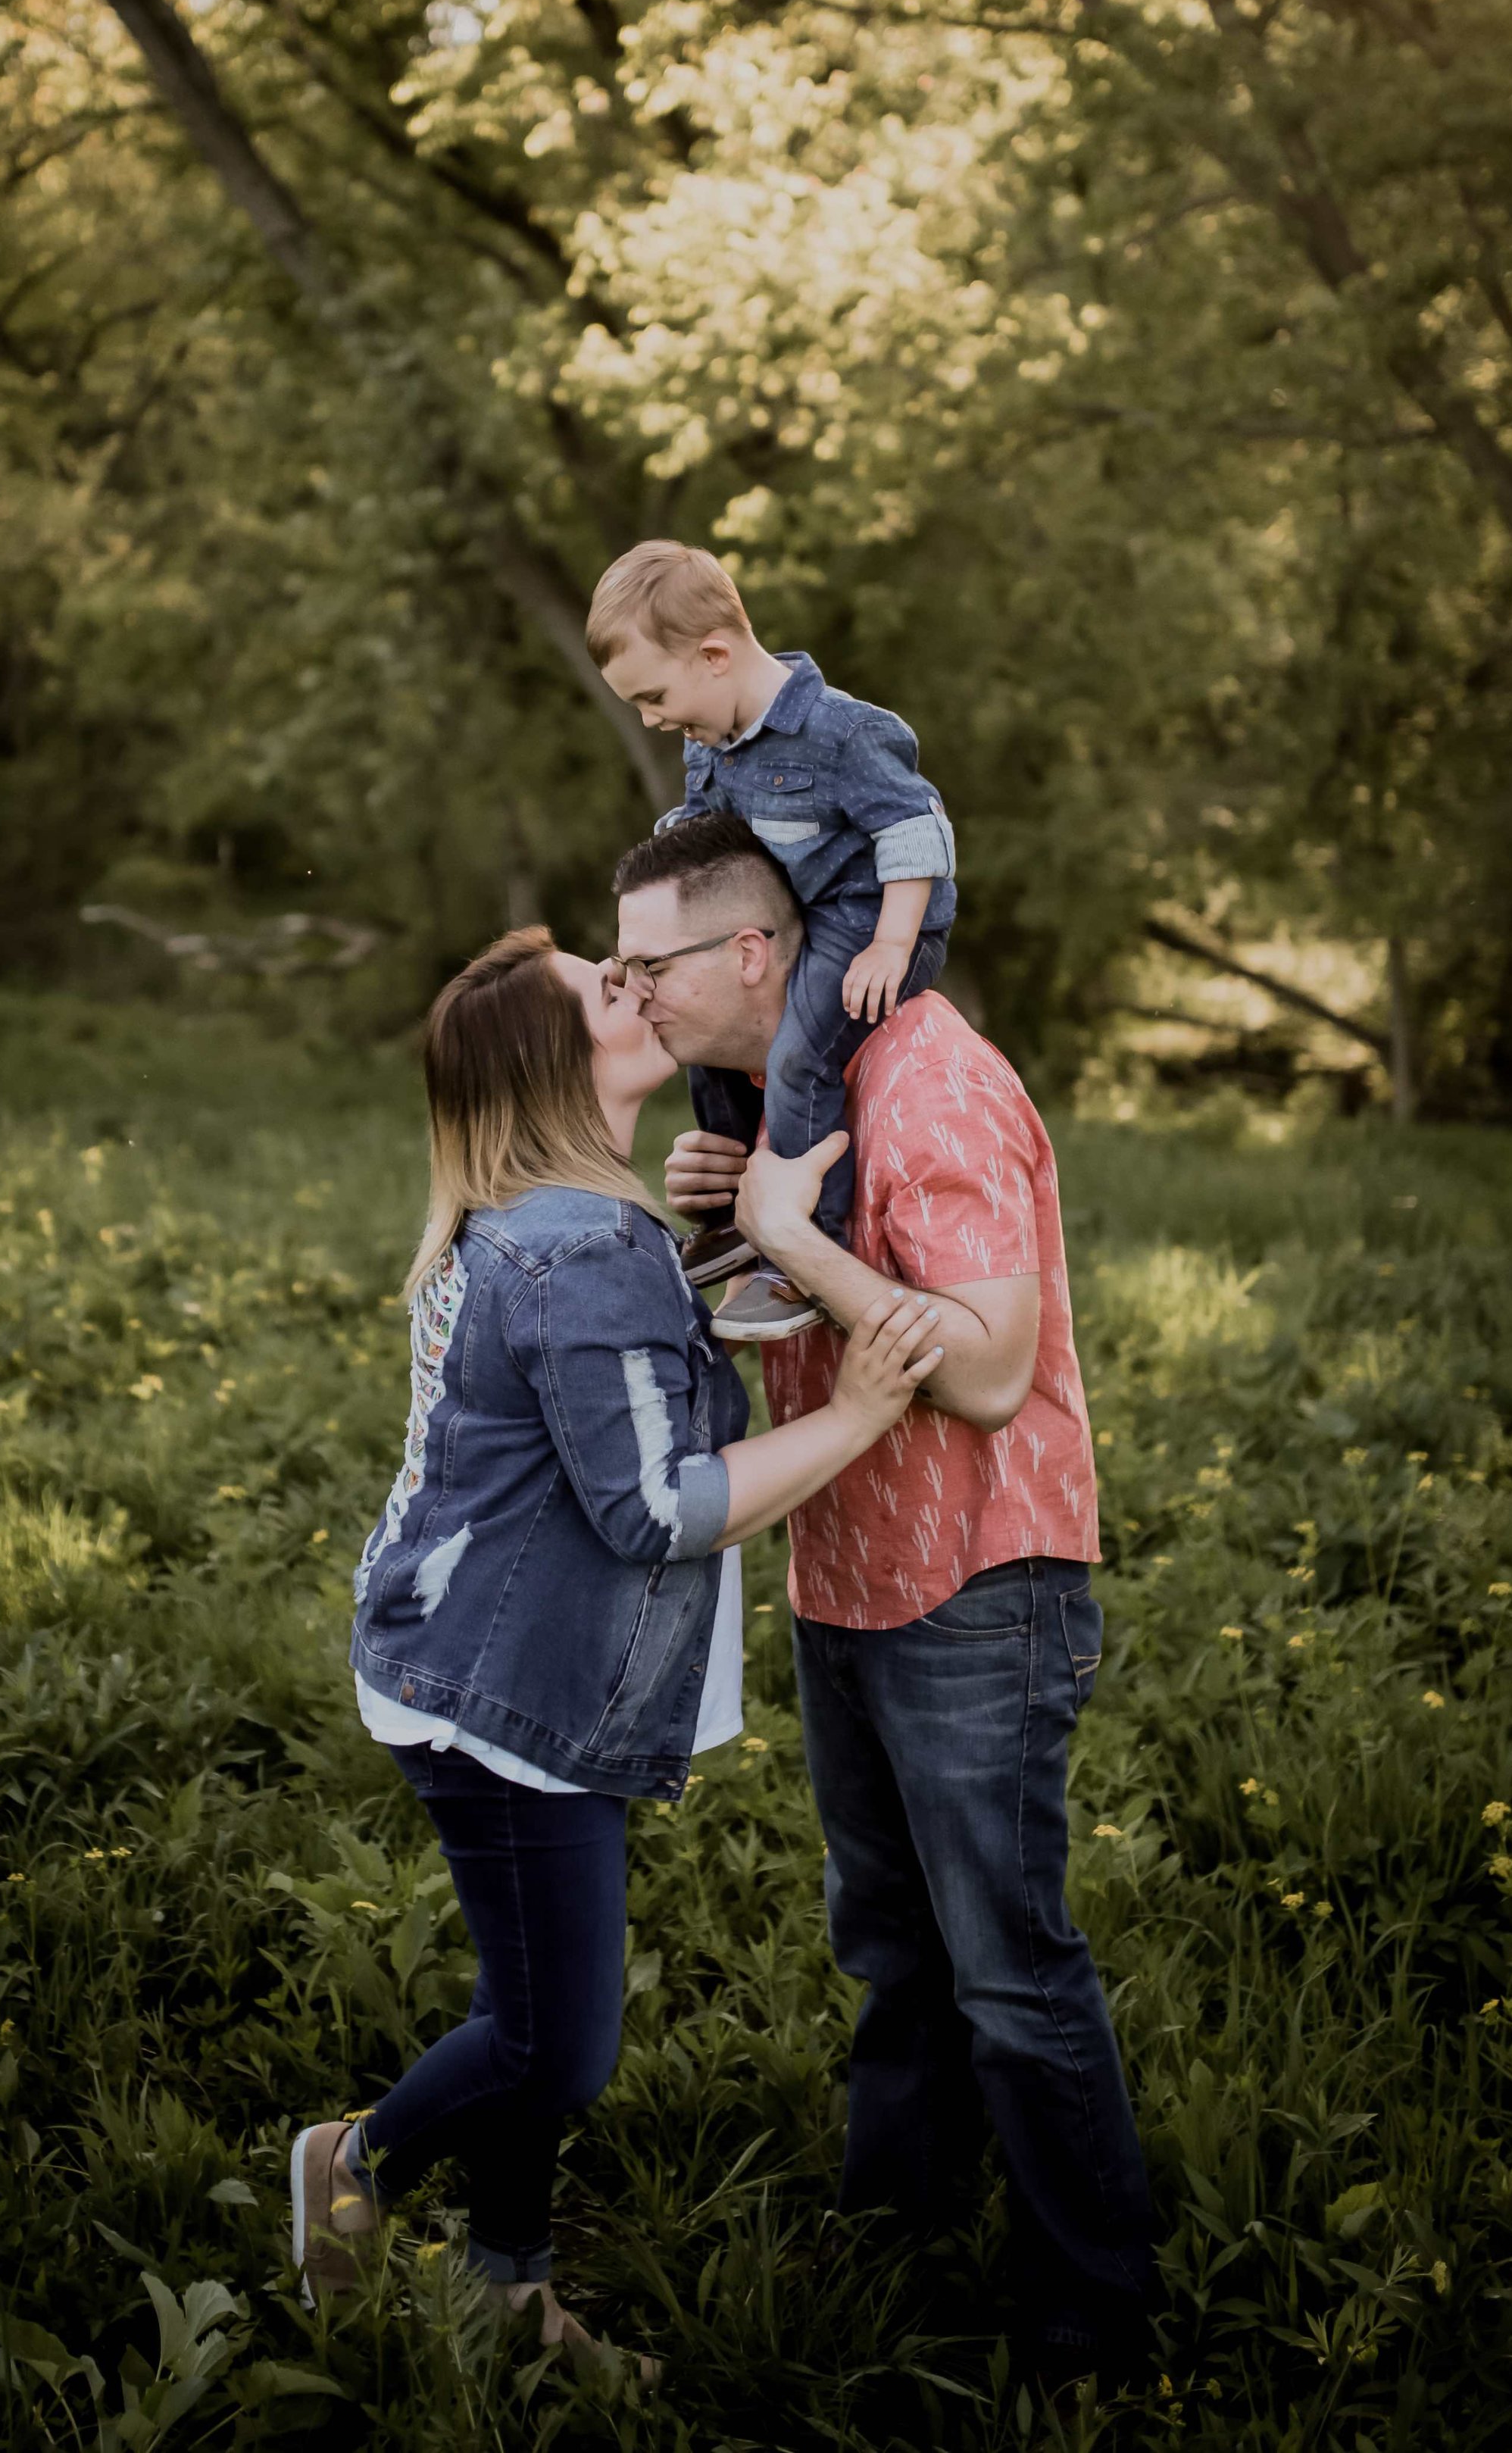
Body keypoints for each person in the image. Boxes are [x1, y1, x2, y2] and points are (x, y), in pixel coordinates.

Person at [291, 924, 945, 2366]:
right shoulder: (578, 1246)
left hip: (462, 1657)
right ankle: (357, 2168)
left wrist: (729, 1232)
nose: (635, 985)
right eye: (607, 985)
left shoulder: (554, 1219)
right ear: (555, 1059)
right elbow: (658, 1507)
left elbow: (627, 1378)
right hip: (503, 1694)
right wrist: (857, 1415)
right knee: (555, 2045)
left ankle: (510, 2297)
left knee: (521, 1999)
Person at [613, 815, 1154, 2389]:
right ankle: (899, 2239)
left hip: (979, 1586)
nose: (631, 994)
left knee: (1004, 1965)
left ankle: (1089, 2322)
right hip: (847, 1571)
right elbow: (804, 1308)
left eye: (649, 966)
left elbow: (982, 1370)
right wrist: (726, 1219)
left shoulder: (928, 1079)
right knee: (888, 1947)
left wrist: (787, 1229)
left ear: (752, 954)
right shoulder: (797, 1092)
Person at [588, 539, 955, 1344]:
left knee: (797, 1055)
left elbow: (914, 832)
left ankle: (806, 1248)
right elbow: (709, 834)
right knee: (706, 1047)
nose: (652, 718)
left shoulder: (843, 731)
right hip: (799, 918)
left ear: (714, 654)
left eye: (653, 695)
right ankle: (731, 1222)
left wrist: (892, 944)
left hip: (868, 920)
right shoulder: (710, 741)